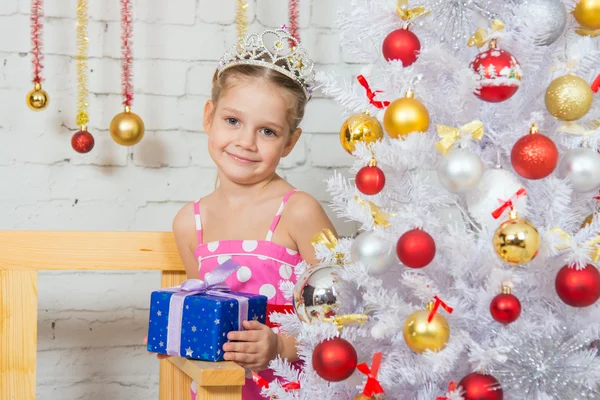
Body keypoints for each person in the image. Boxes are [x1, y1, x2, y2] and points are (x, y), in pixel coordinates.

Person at [171, 28, 336, 399]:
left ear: (290, 141)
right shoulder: (189, 223)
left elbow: (344, 318)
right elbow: (204, 321)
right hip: (219, 390)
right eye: (233, 121)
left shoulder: (298, 212)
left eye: (267, 131)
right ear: (209, 116)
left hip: (290, 388)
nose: (246, 142)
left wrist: (279, 347)